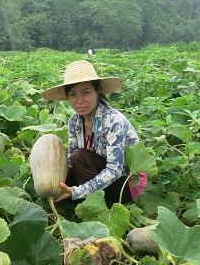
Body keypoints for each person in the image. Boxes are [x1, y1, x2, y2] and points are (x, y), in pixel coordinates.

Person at [41, 60, 143, 206]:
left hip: (127, 183)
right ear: (67, 97)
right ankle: (83, 198)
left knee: (79, 156)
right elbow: (71, 161)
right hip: (94, 171)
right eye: (73, 94)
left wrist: (77, 191)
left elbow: (115, 170)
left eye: (86, 92)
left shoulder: (113, 121)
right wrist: (47, 170)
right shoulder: (74, 121)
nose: (79, 100)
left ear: (98, 91)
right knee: (59, 184)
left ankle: (100, 205)